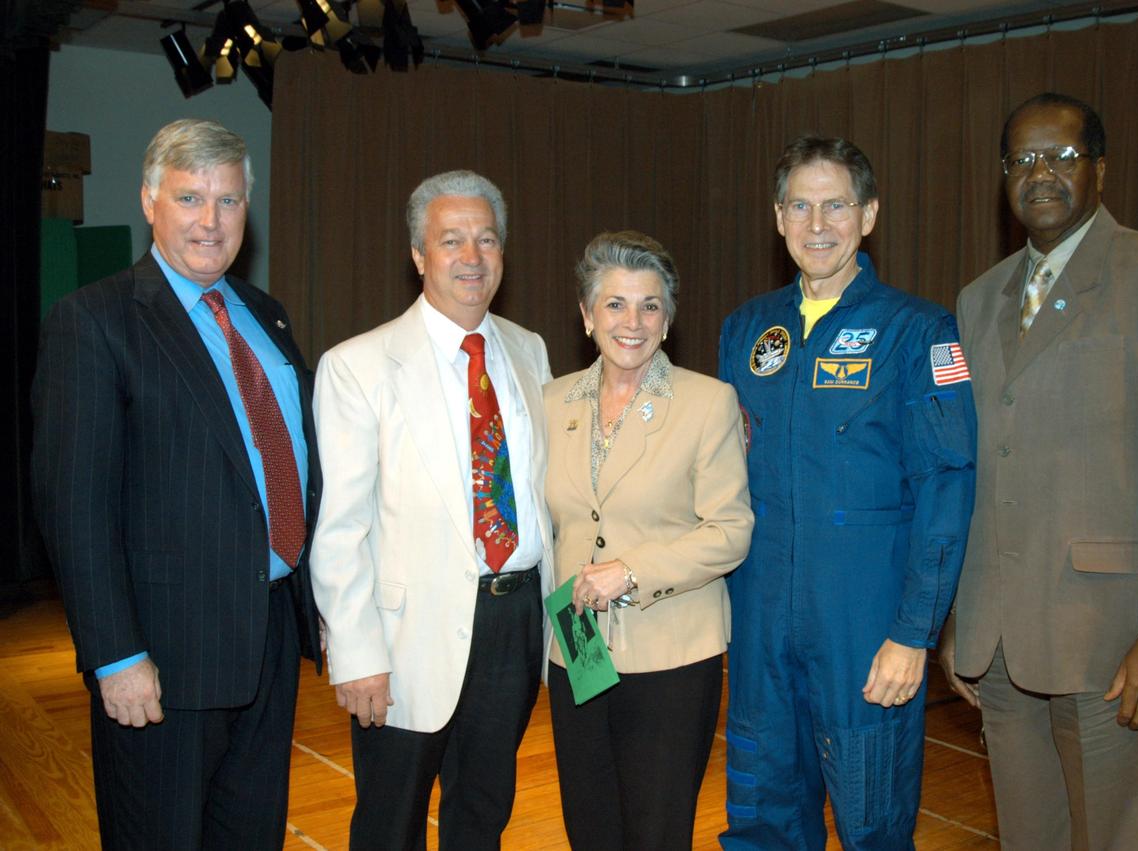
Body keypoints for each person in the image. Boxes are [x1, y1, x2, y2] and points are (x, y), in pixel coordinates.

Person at [938, 92, 1138, 850]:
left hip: (1116, 644)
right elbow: (977, 467)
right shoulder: (979, 300)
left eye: (1063, 156)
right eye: (1022, 159)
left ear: (1100, 169)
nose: (1040, 172)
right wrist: (962, 622)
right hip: (1002, 645)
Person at [30, 118, 322, 849]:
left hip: (270, 641)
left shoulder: (265, 315)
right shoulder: (94, 321)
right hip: (165, 660)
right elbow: (75, 508)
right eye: (190, 198)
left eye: (228, 201)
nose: (210, 220)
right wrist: (116, 655)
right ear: (149, 200)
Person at [717, 136, 977, 849]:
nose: (818, 223)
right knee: (762, 816)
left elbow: (946, 489)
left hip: (864, 629)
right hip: (761, 622)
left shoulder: (917, 332)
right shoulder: (746, 331)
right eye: (800, 205)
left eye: (836, 204)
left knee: (872, 822)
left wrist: (914, 633)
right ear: (778, 218)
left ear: (868, 215)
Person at [309, 169, 554, 850]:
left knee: (483, 813)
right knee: (391, 824)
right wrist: (356, 652)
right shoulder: (357, 365)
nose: (472, 256)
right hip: (405, 639)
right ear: (418, 255)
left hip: (516, 621)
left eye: (486, 239)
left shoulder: (530, 351)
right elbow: (340, 529)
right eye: (452, 240)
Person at [543, 231, 753, 850]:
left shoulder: (707, 403)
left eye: (650, 305)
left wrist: (630, 570)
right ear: (586, 316)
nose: (631, 322)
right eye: (614, 304)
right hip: (577, 645)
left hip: (672, 654)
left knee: (656, 833)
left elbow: (731, 530)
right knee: (590, 826)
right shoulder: (553, 401)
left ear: (669, 319)